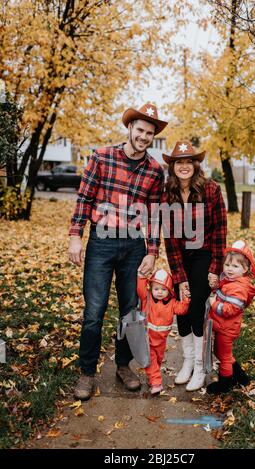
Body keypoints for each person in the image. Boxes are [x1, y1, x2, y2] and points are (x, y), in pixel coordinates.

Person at [69, 102, 168, 400]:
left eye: (149, 133)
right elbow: (84, 198)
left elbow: (154, 215)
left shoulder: (154, 170)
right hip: (101, 240)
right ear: (129, 128)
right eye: (139, 130)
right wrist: (76, 235)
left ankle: (123, 366)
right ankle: (86, 372)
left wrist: (152, 252)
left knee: (131, 311)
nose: (143, 137)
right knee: (94, 312)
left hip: (134, 246)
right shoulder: (101, 157)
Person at [161, 141, 227, 391]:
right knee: (182, 307)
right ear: (173, 166)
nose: (185, 166)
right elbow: (169, 237)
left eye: (189, 161)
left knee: (197, 307)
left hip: (204, 255)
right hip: (181, 257)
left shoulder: (210, 190)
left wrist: (215, 267)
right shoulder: (168, 194)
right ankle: (187, 361)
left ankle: (200, 366)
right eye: (180, 162)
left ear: (195, 165)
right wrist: (178, 275)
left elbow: (221, 229)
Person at [206, 240, 255, 394]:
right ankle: (240, 378)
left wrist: (214, 304)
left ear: (246, 269)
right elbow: (224, 291)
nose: (229, 269)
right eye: (227, 265)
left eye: (235, 266)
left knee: (224, 357)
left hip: (227, 328)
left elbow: (231, 309)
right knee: (222, 353)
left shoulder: (239, 287)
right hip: (223, 326)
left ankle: (224, 385)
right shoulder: (232, 281)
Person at [137, 269, 190, 395]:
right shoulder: (147, 299)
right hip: (147, 337)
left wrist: (186, 299)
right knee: (150, 359)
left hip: (161, 340)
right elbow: (140, 288)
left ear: (170, 290)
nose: (159, 292)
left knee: (158, 359)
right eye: (156, 289)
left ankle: (152, 378)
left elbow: (182, 309)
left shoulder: (172, 303)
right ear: (151, 289)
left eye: (163, 289)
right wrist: (141, 276)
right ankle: (156, 383)